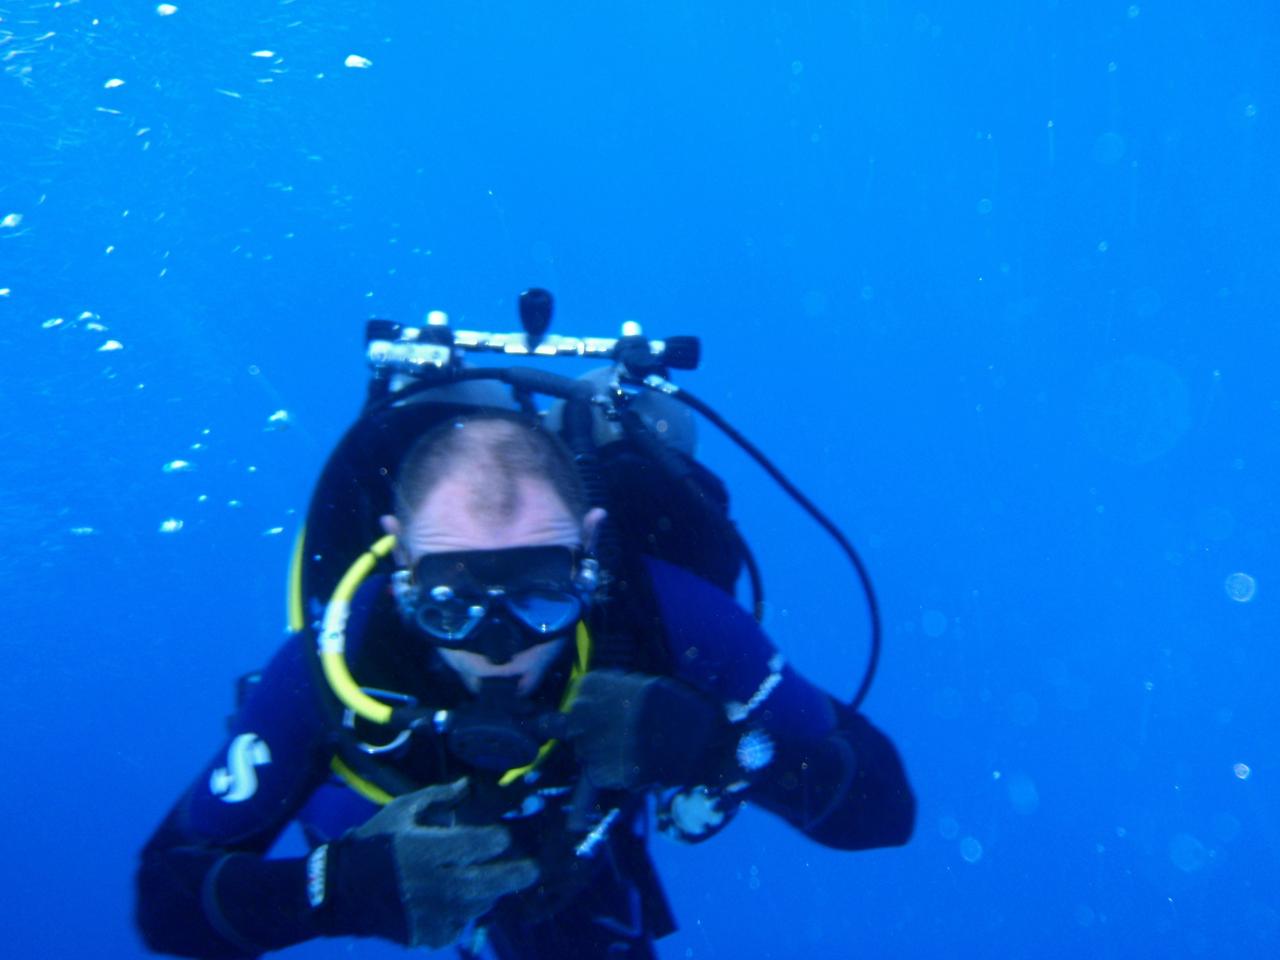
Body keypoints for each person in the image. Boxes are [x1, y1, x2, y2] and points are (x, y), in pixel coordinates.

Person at [136, 414, 915, 959]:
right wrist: (334, 891)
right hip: (372, 833)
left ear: (590, 554)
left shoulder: (660, 616)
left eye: (540, 591)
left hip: (576, 835)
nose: (499, 647)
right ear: (401, 565)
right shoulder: (333, 663)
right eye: (452, 601)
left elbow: (882, 809)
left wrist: (716, 749)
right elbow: (165, 897)